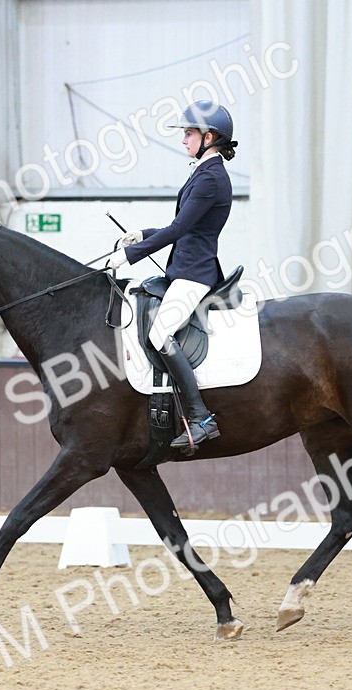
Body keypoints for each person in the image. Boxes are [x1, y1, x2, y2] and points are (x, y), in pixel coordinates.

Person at [107, 100, 237, 450]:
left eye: (189, 133)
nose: (183, 139)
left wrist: (129, 256)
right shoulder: (204, 172)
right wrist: (143, 234)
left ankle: (201, 418)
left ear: (209, 137)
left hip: (196, 273)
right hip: (185, 268)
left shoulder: (211, 178)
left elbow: (180, 229)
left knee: (160, 332)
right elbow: (182, 226)